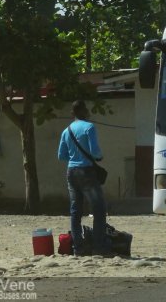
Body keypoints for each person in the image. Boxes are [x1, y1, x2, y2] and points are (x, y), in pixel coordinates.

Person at [58, 100, 110, 256]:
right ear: (84, 111)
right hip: (86, 171)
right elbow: (96, 152)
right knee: (99, 209)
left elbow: (61, 155)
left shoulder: (66, 131)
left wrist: (74, 156)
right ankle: (98, 247)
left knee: (75, 211)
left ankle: (78, 248)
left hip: (71, 172)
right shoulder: (89, 127)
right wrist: (98, 157)